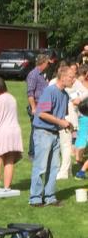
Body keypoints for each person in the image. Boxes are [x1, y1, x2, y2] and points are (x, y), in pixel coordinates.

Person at [29, 66, 75, 207]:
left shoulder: (65, 95)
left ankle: (50, 197)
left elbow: (59, 116)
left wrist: (66, 125)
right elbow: (41, 113)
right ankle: (35, 198)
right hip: (43, 133)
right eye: (71, 77)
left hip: (55, 134)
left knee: (54, 167)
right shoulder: (50, 91)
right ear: (62, 77)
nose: (73, 80)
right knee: (40, 166)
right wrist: (60, 122)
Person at [26, 53, 50, 158]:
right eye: (47, 63)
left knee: (42, 129)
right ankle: (32, 153)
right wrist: (34, 108)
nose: (48, 65)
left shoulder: (43, 74)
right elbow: (30, 93)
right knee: (35, 129)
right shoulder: (33, 74)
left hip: (44, 106)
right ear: (43, 63)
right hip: (36, 106)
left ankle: (41, 151)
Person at [74, 97, 88, 179]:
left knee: (79, 159)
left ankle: (82, 168)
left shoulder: (81, 117)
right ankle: (81, 173)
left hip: (80, 140)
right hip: (85, 140)